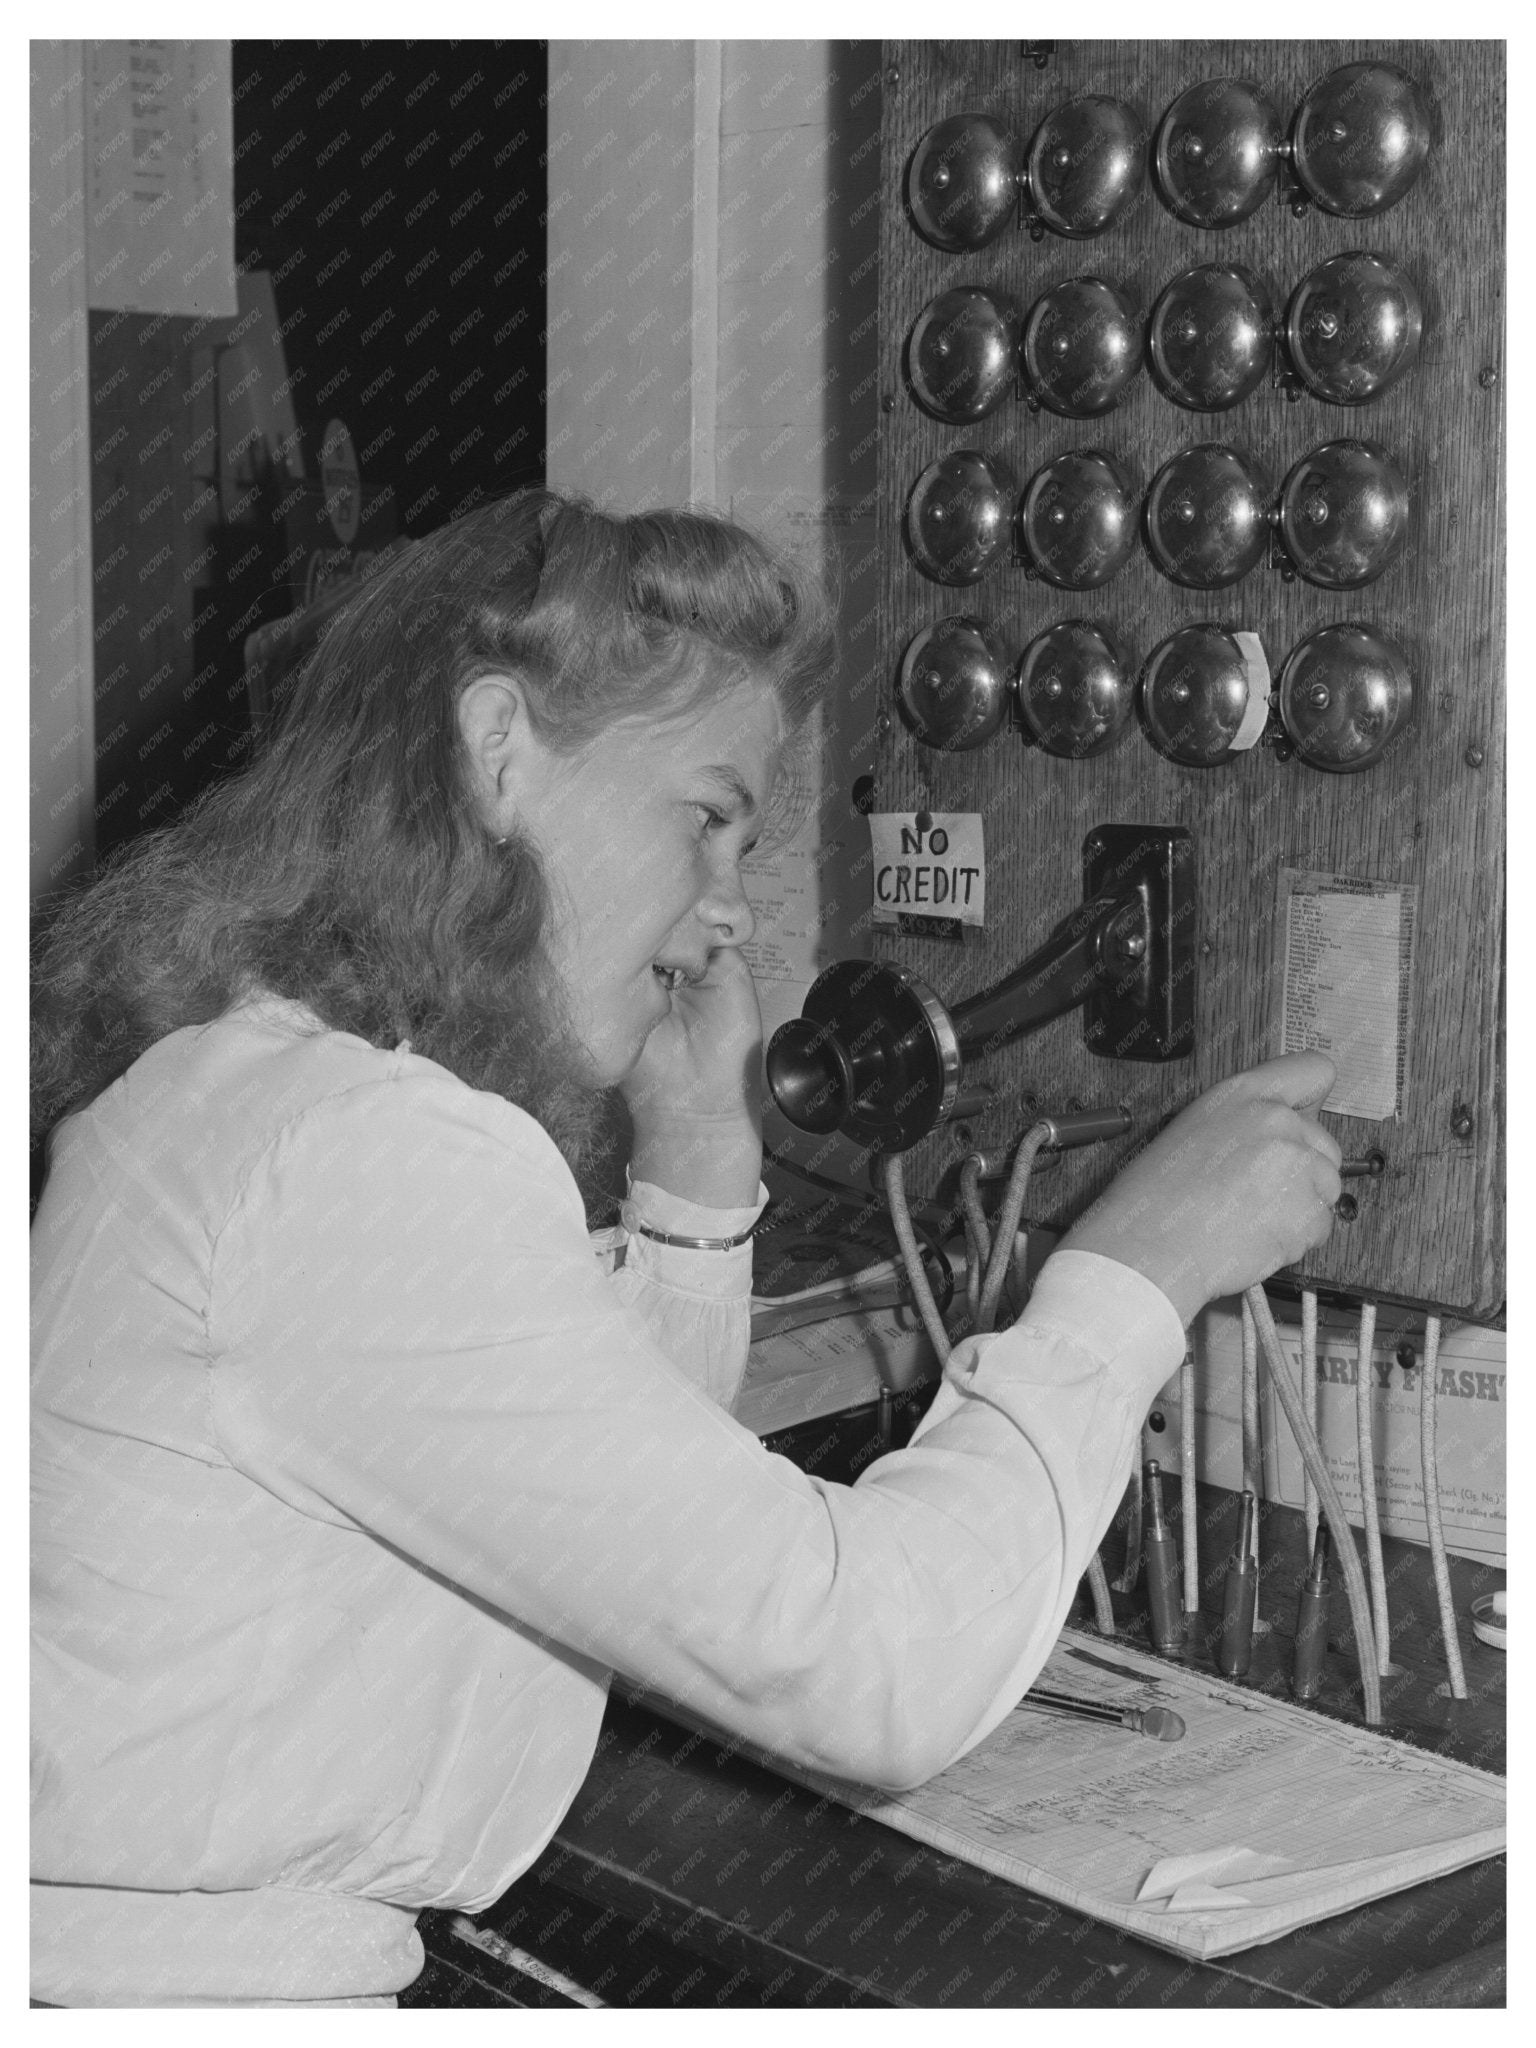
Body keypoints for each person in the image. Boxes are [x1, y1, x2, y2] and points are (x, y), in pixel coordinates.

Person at [31, 489, 1341, 2007]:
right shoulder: (359, 1158)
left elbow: (616, 1511)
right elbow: (872, 1666)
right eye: (708, 819)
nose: (728, 914)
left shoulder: (253, 1083)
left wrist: (700, 1165)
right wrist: (1137, 1271)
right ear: (501, 750)